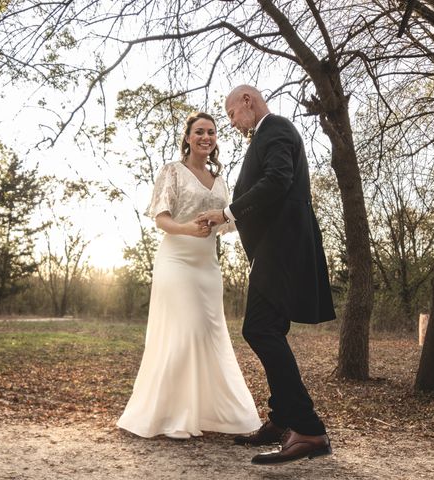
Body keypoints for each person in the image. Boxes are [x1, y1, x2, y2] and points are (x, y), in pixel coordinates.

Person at [198, 85, 336, 464]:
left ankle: (307, 428)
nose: (231, 122)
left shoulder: (275, 127)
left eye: (230, 114)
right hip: (274, 249)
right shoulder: (266, 134)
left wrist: (227, 213)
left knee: (259, 329)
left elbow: (278, 180)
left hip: (282, 247)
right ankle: (281, 420)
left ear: (247, 101)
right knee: (269, 327)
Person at [117, 112, 262, 440]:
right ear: (187, 137)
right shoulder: (172, 172)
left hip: (208, 268)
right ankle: (170, 414)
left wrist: (240, 217)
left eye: (211, 132)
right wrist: (188, 230)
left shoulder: (219, 179)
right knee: (186, 332)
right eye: (199, 132)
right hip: (177, 262)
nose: (205, 137)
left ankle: (210, 413)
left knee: (208, 335)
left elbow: (227, 223)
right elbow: (161, 219)